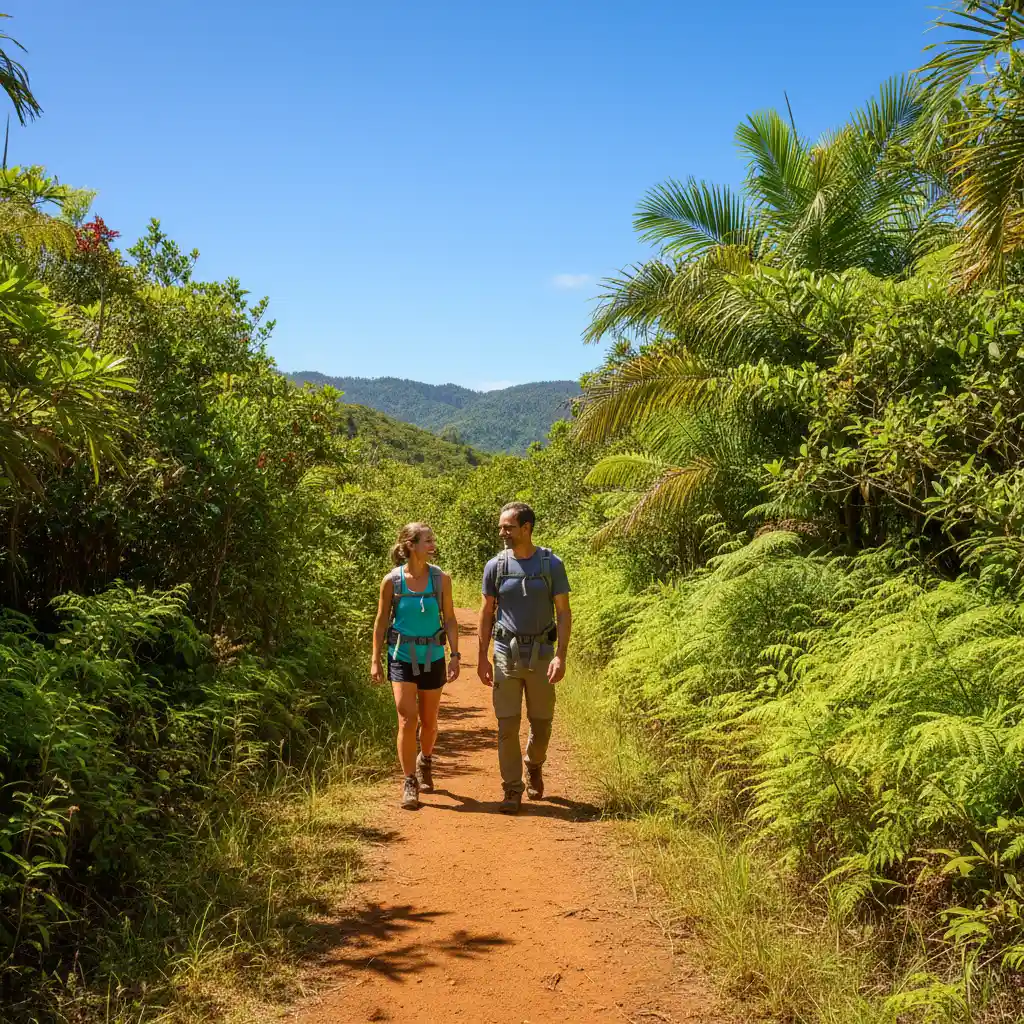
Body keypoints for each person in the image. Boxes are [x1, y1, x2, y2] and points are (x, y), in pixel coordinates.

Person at [477, 501, 571, 814]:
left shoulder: (551, 564)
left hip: (543, 653)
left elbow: (563, 612)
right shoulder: (496, 566)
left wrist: (561, 656)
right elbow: (486, 612)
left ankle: (534, 764)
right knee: (506, 724)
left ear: (526, 528)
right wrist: (481, 657)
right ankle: (512, 789)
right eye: (502, 527)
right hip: (506, 653)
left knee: (542, 723)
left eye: (508, 527)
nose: (502, 532)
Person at [371, 522, 460, 810]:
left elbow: (449, 618)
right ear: (410, 544)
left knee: (429, 722)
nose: (433, 545)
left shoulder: (441, 580)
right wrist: (375, 659)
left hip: (433, 654)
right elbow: (382, 621)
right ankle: (410, 780)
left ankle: (426, 759)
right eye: (427, 541)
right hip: (401, 655)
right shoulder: (392, 581)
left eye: (433, 540)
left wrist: (455, 654)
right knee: (407, 718)